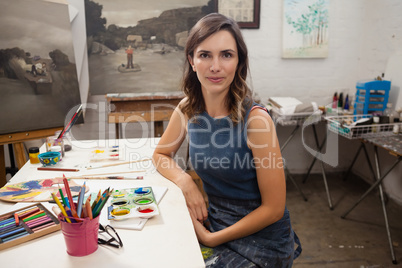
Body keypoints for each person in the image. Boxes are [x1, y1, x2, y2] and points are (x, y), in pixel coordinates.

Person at [152, 13, 301, 267]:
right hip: (215, 222)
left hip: (262, 241)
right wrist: (185, 180)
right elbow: (160, 155)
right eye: (205, 55)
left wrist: (212, 238)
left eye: (226, 55)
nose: (215, 66)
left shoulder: (257, 121)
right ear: (192, 60)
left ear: (239, 61)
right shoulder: (188, 109)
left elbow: (274, 208)